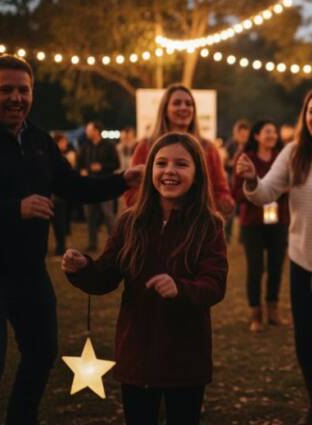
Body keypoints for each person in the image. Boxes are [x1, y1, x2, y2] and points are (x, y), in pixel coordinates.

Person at [0, 55, 142, 425]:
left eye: (24, 90)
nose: (17, 97)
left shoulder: (38, 139)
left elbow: (73, 186)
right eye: (7, 89)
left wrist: (122, 180)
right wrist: (13, 209)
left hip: (28, 270)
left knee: (41, 353)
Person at [62, 132, 227, 425]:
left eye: (181, 164)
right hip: (137, 354)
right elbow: (105, 276)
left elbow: (214, 285)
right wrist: (82, 268)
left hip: (185, 359)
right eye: (161, 163)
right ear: (150, 170)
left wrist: (181, 288)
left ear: (198, 173)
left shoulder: (208, 225)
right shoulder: (130, 222)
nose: (169, 171)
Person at [235, 86, 312, 425]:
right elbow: (265, 193)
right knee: (305, 337)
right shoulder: (293, 153)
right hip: (303, 260)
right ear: (305, 117)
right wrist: (250, 181)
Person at [124, 83, 233, 216]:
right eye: (177, 103)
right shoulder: (146, 146)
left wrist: (225, 202)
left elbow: (220, 190)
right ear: (165, 109)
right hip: (156, 225)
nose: (184, 107)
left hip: (197, 225)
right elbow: (131, 193)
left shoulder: (208, 148)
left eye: (189, 104)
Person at [232, 119, 290, 333]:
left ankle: (273, 311)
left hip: (279, 221)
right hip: (253, 223)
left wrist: (284, 191)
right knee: (255, 268)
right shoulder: (246, 159)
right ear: (256, 136)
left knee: (276, 267)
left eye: (274, 132)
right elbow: (236, 193)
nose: (272, 135)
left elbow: (295, 185)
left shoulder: (282, 159)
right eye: (267, 132)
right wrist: (259, 192)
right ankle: (255, 313)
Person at [78, 121, 120, 251]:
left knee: (108, 216)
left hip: (105, 185)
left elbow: (116, 164)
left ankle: (114, 245)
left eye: (89, 129)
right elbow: (79, 164)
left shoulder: (109, 146)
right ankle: (92, 244)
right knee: (90, 216)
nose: (86, 132)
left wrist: (101, 167)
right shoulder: (85, 146)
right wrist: (82, 170)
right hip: (89, 186)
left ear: (96, 131)